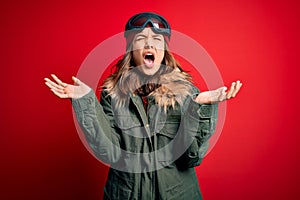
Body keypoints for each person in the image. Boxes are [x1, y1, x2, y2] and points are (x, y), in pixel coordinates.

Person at [44, 12, 242, 200]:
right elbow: (110, 152)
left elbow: (190, 159)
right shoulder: (112, 93)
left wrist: (198, 106)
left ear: (164, 51)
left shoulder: (186, 93)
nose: (149, 44)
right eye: (140, 39)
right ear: (131, 49)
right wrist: (86, 102)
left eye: (157, 40)